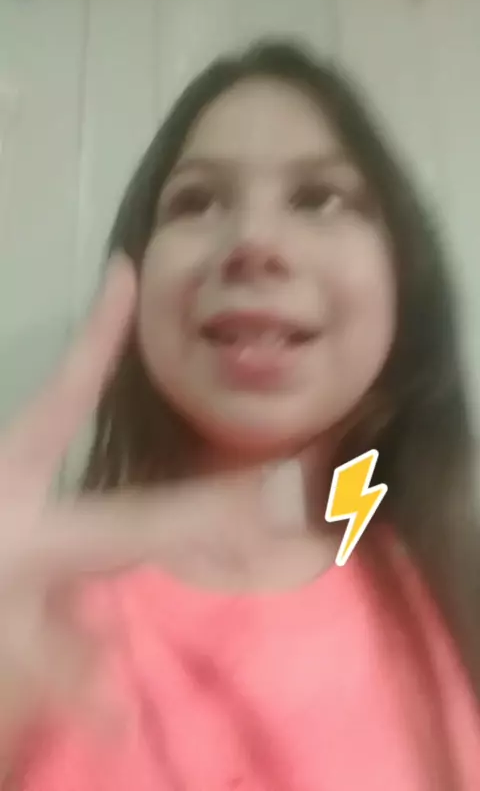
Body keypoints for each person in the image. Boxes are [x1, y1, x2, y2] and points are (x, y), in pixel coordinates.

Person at [0, 40, 479, 791]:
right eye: (195, 202)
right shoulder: (35, 618)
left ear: (403, 277)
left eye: (320, 198)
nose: (253, 242)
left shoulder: (455, 588)